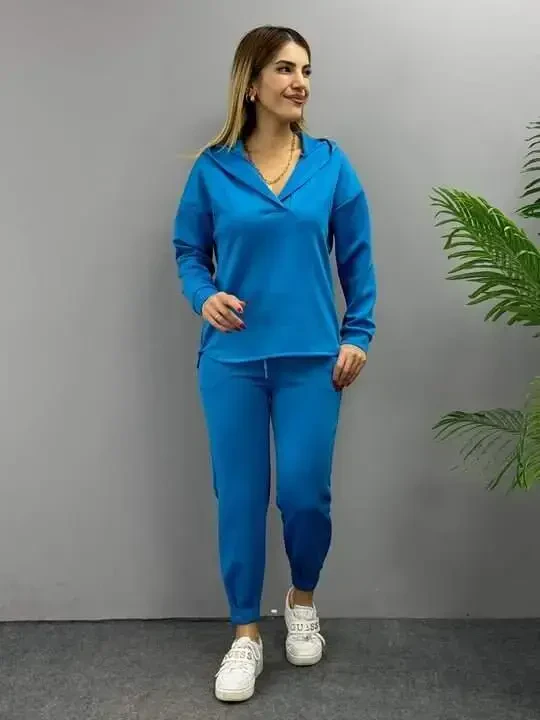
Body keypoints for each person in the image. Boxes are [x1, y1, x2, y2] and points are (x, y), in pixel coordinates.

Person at [171, 25, 377, 703]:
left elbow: (357, 259)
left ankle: (301, 599)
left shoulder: (330, 165)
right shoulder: (214, 169)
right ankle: (244, 635)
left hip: (313, 359)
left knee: (304, 494)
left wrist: (358, 332)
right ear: (252, 82)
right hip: (231, 361)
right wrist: (204, 296)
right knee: (239, 497)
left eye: (307, 70)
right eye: (286, 69)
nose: (300, 83)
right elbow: (188, 251)